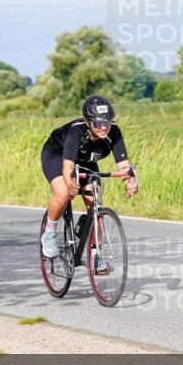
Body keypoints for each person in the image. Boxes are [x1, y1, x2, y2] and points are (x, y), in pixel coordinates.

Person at [40, 95, 138, 272]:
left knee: (96, 204)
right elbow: (68, 165)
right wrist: (70, 183)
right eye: (98, 123)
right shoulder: (77, 130)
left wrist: (130, 181)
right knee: (63, 193)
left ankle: (96, 256)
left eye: (107, 122)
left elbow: (123, 165)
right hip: (57, 154)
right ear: (87, 121)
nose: (104, 128)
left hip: (86, 160)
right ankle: (49, 233)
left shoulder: (114, 131)